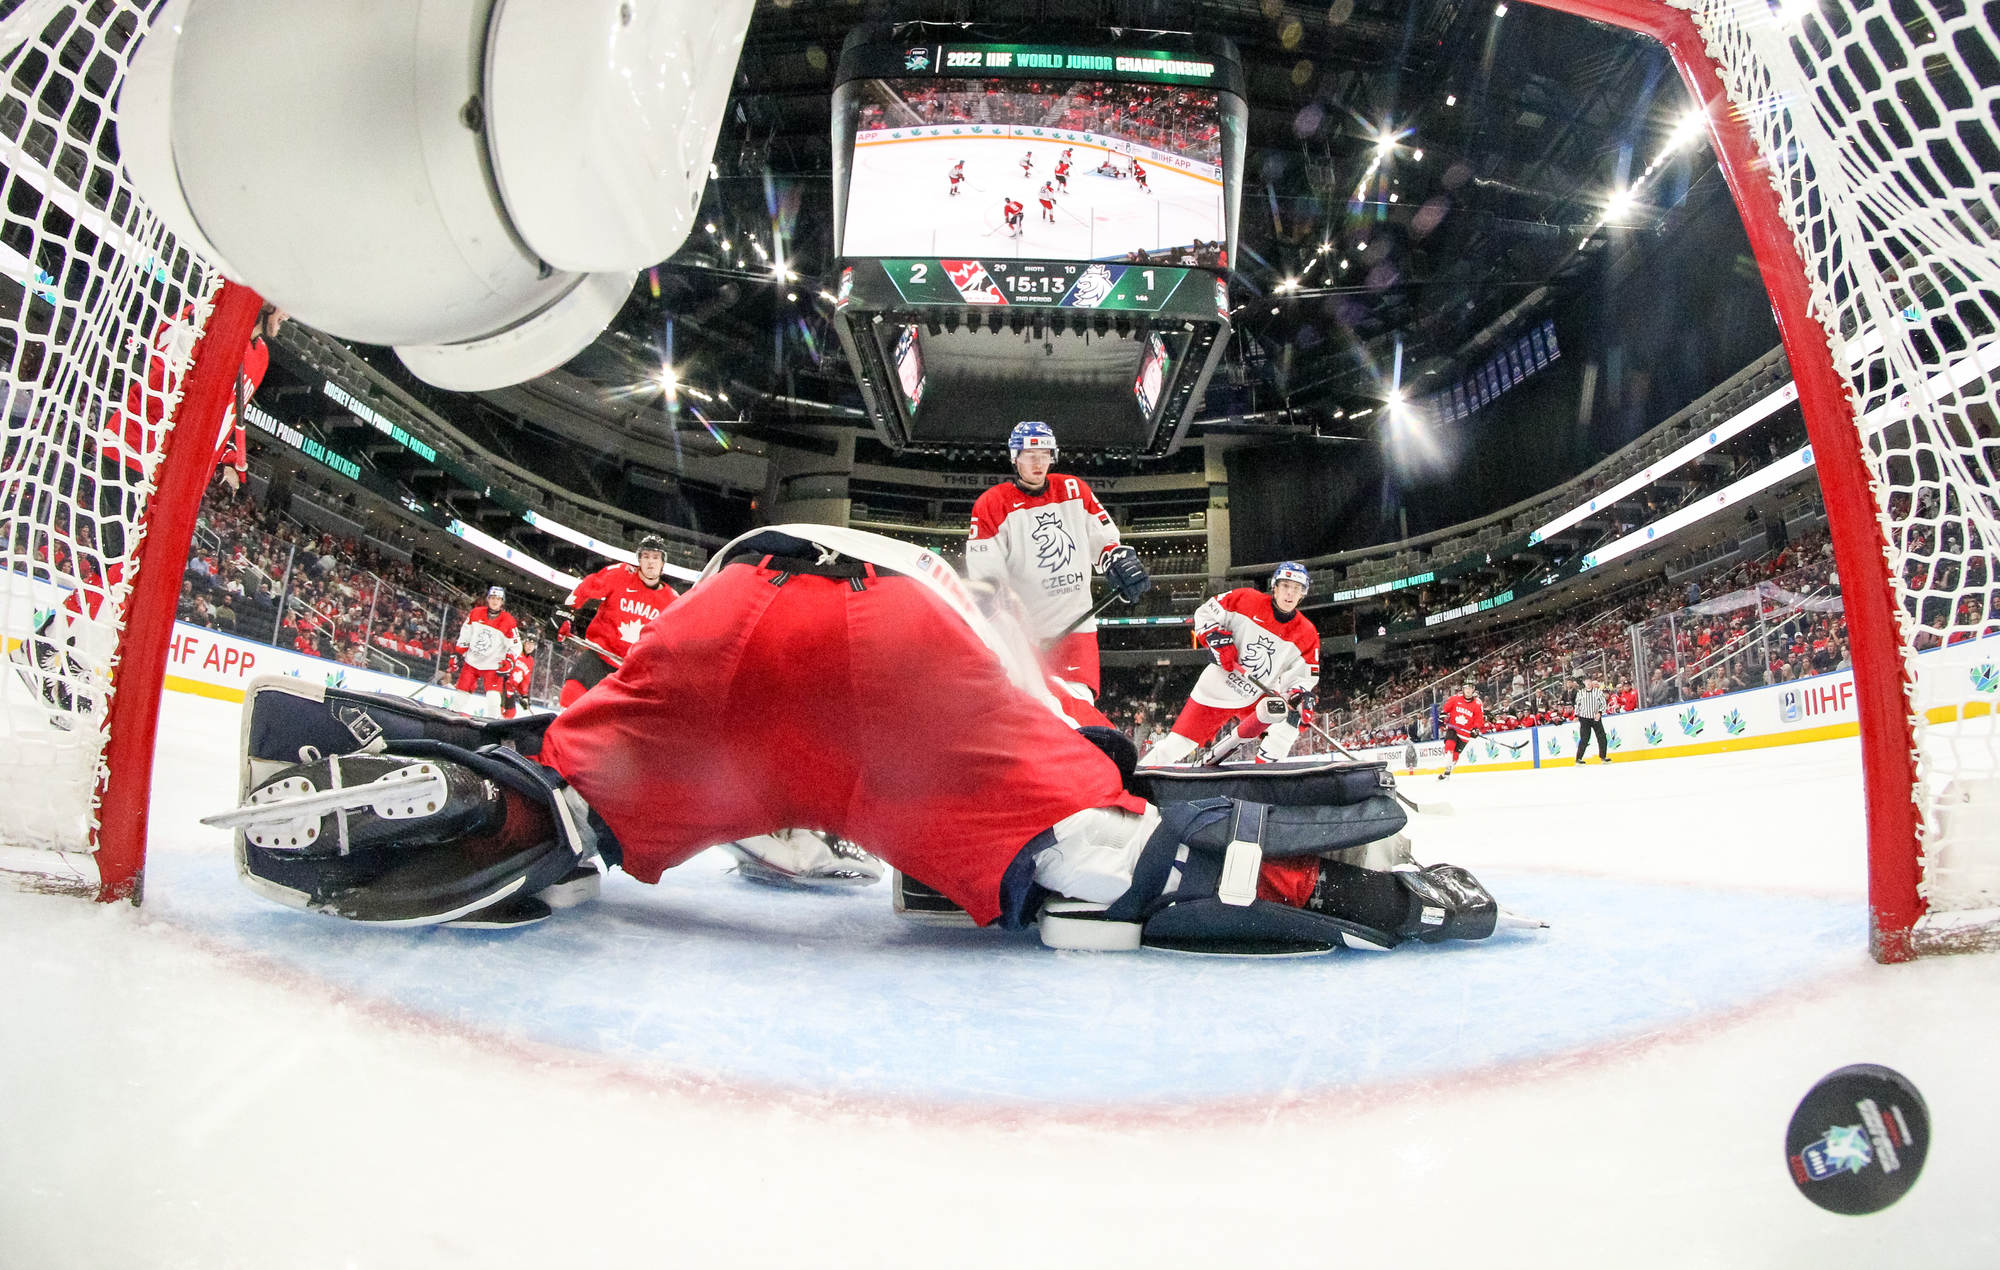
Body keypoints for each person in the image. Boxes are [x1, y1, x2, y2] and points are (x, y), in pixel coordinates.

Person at [218, 524, 1514, 958]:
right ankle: (1353, 888)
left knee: (560, 794)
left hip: (731, 607)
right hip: (907, 665)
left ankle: (467, 788)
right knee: (1123, 868)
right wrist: (1351, 884)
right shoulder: (1043, 689)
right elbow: (1131, 805)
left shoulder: (1001, 627)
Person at [966, 421, 1149, 700]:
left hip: (1077, 631)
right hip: (1024, 640)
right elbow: (987, 581)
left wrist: (1117, 560)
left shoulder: (1074, 490)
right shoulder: (992, 504)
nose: (1039, 463)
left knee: (1078, 709)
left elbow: (1105, 542)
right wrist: (1006, 627)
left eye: (1045, 455)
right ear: (1015, 457)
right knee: (1030, 718)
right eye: (1030, 455)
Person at [1140, 562, 1320, 766]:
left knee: (1289, 721)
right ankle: (1138, 778)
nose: (1290, 593)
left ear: (1302, 594)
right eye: (1286, 586)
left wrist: (1299, 695)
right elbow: (1204, 613)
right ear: (1275, 587)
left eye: (1296, 588)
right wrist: (1214, 637)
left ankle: (1266, 777)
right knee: (1177, 745)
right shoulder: (1246, 599)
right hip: (1217, 687)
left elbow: (1302, 678)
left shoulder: (1306, 633)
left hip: (1256, 695)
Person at [552, 534, 679, 707]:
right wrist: (567, 613)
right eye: (646, 556)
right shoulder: (621, 574)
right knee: (570, 696)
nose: (650, 562)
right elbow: (587, 587)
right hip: (598, 657)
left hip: (632, 673)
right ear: (639, 560)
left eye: (656, 557)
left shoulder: (672, 600)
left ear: (663, 563)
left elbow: (678, 638)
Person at [450, 585, 521, 716]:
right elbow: (465, 634)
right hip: (472, 661)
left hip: (493, 665)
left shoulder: (508, 621)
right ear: (488, 599)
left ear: (502, 602)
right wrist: (458, 652)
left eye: (498, 599)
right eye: (493, 597)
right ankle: (451, 720)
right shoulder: (475, 613)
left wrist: (509, 660)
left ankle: (493, 724)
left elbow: (516, 646)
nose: (495, 601)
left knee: (493, 699)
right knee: (461, 694)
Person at [1437, 678, 1485, 780]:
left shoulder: (1477, 703)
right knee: (1449, 745)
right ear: (1463, 689)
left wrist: (1475, 729)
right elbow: (1445, 710)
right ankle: (1447, 766)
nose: (1468, 690)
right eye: (1466, 688)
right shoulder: (1455, 698)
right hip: (1453, 728)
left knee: (1455, 755)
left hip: (1465, 733)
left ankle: (1448, 771)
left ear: (1473, 690)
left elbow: (1479, 718)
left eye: (1470, 688)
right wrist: (1441, 720)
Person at [501, 631, 538, 719]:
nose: (529, 647)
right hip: (501, 685)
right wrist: (504, 674)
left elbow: (525, 679)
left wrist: (524, 696)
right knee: (499, 709)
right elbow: (503, 664)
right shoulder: (515, 652)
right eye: (528, 643)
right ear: (524, 642)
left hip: (511, 689)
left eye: (532, 645)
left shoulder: (530, 661)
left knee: (511, 713)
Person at [1574, 675, 1609, 764]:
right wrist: (1576, 715)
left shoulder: (1598, 692)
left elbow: (1603, 703)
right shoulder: (1580, 693)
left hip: (1595, 718)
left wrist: (1600, 713)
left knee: (1602, 737)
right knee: (1584, 739)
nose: (1588, 683)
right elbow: (1577, 705)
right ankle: (1578, 758)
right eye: (1586, 681)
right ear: (1584, 683)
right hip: (1584, 718)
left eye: (1589, 681)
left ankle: (1603, 756)